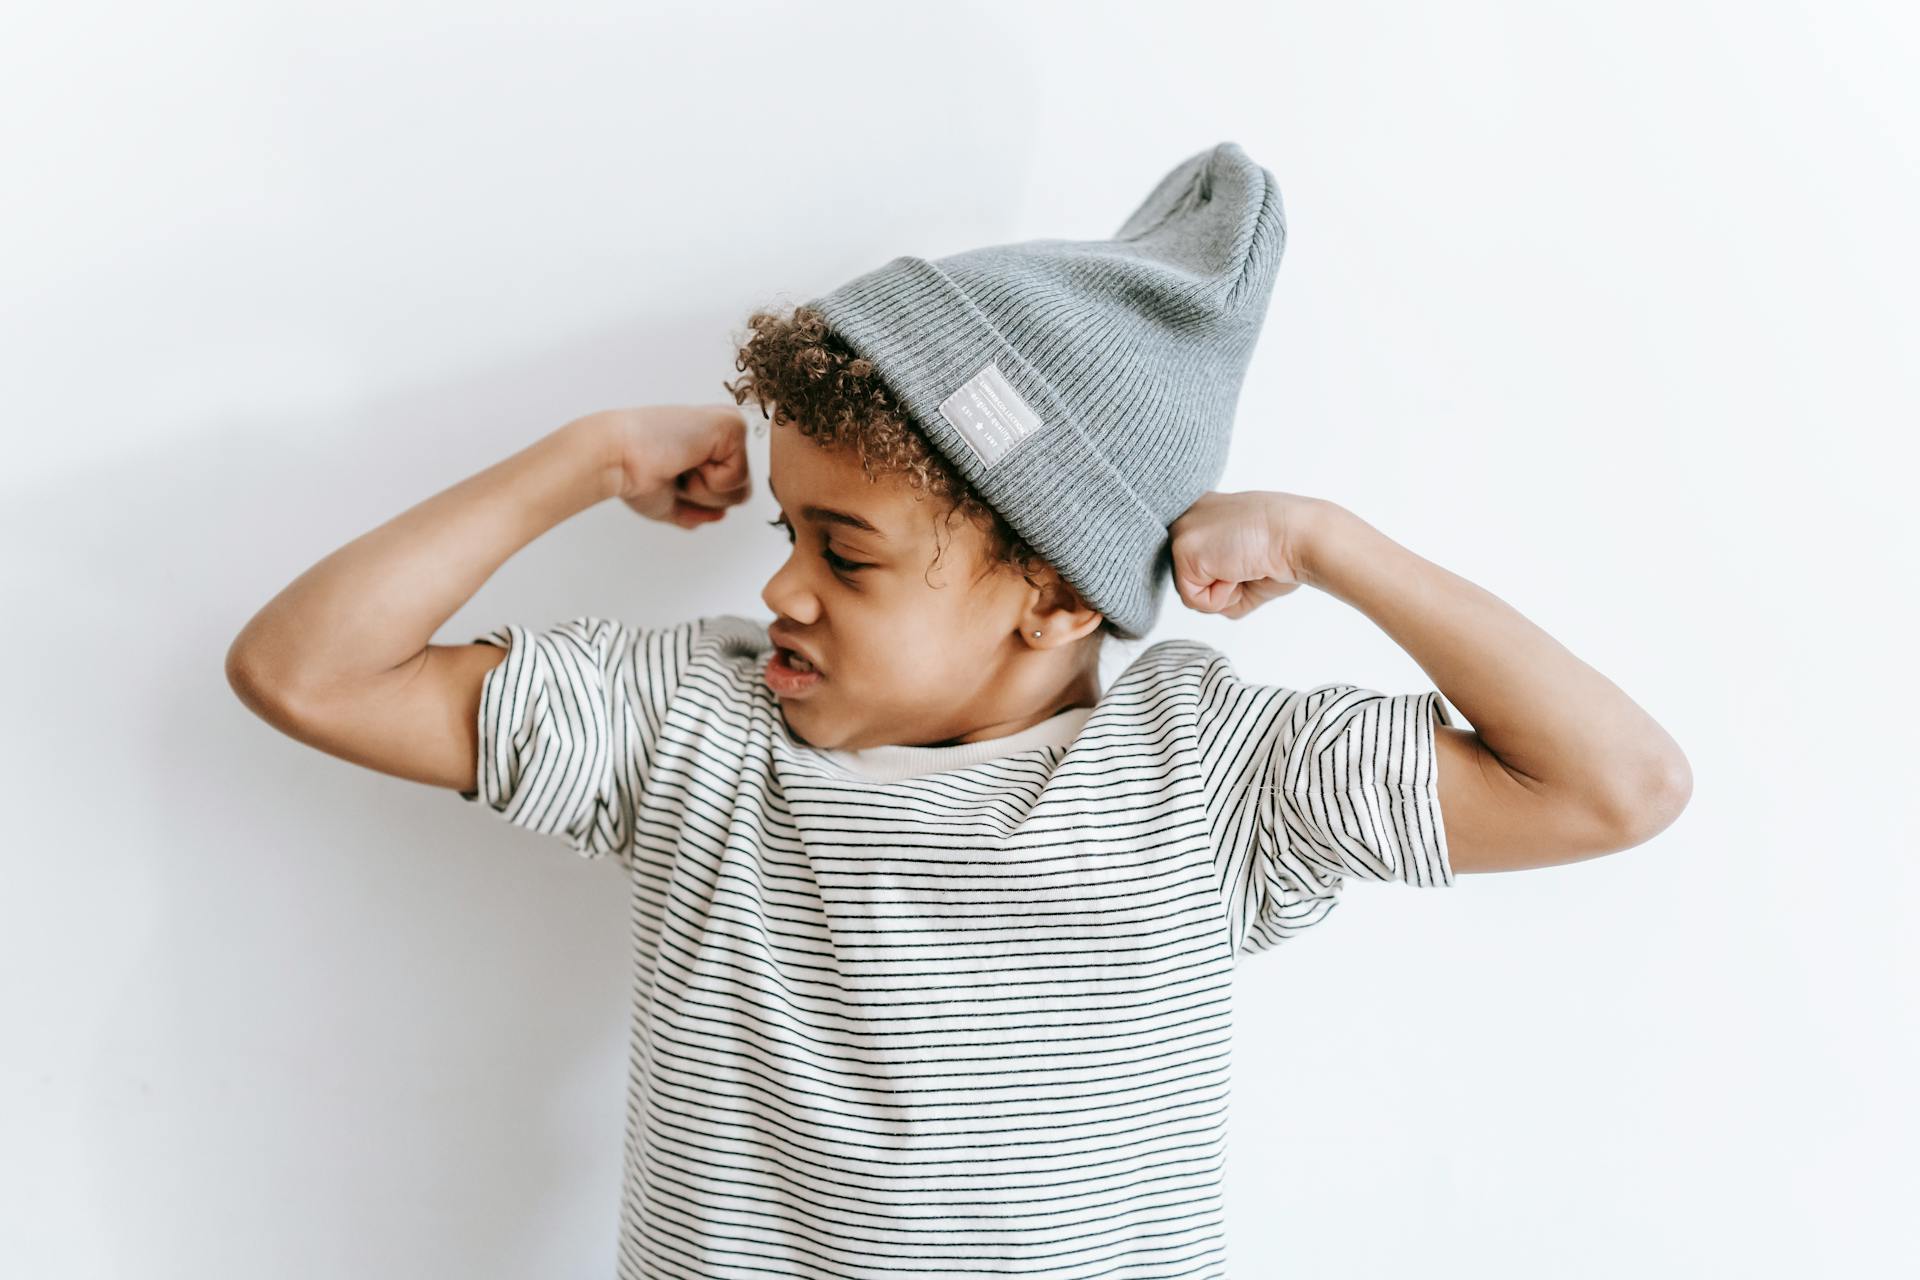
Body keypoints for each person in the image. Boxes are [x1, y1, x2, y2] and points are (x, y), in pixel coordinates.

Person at [226, 142, 1691, 1278]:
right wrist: (581, 459)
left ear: (1053, 598)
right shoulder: (693, 732)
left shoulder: (1211, 773)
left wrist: (1337, 548)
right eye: (789, 532)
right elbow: (307, 671)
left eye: (845, 553)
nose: (784, 586)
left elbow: (1616, 786)